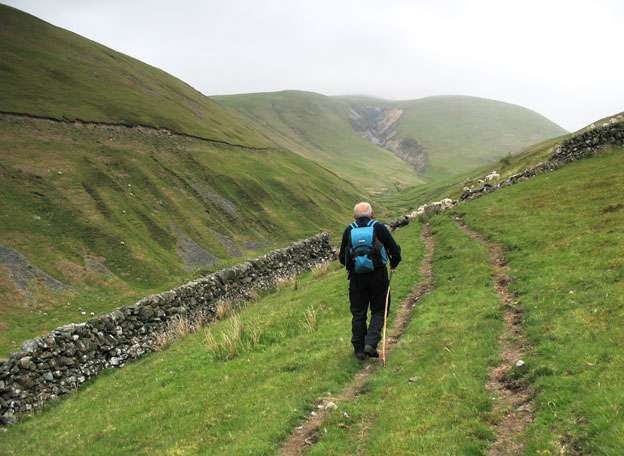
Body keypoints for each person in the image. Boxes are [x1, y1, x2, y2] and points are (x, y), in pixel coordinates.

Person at [339, 202, 401, 360]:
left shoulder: (349, 230)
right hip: (378, 276)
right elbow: (395, 250)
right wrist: (393, 264)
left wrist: (354, 267)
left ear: (354, 216)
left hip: (356, 279)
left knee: (358, 313)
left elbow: (341, 258)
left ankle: (359, 350)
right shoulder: (379, 227)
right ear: (372, 214)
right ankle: (371, 342)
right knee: (380, 309)